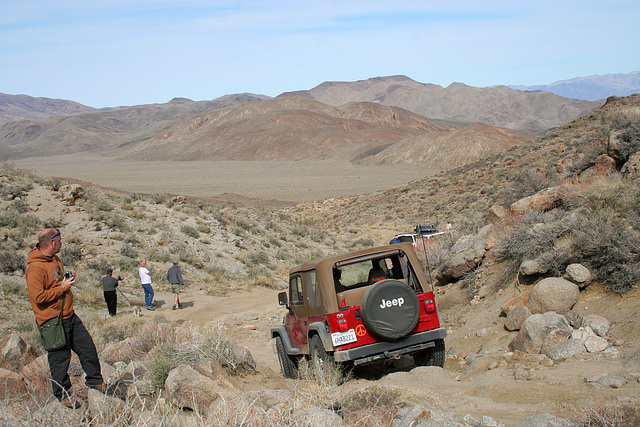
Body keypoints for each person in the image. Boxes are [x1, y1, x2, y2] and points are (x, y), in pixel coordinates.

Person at [25, 228, 107, 409]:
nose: (62, 243)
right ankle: (63, 395)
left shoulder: (55, 260)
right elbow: (37, 298)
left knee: (87, 348)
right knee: (60, 360)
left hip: (69, 316)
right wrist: (61, 288)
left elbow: (56, 282)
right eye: (60, 241)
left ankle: (95, 382)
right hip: (52, 321)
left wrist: (66, 280)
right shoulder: (35, 268)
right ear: (52, 242)